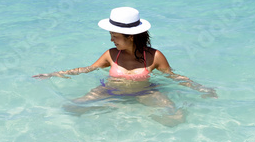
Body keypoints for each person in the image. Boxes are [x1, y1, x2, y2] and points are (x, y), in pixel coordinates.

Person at [33, 7, 217, 124]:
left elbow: (173, 76)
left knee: (175, 117)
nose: (111, 39)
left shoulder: (154, 56)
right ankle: (109, 107)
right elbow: (87, 69)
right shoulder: (111, 54)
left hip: (145, 92)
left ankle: (115, 109)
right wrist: (52, 74)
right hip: (110, 90)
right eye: (111, 35)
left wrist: (200, 88)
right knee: (70, 108)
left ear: (130, 37)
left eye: (115, 36)